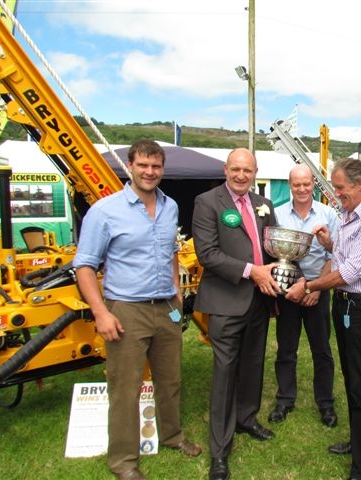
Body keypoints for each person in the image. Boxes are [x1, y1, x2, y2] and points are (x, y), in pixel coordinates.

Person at [73, 140, 202, 480]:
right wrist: (101, 312)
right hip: (126, 309)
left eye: (156, 166)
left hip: (166, 308)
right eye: (143, 165)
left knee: (170, 379)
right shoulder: (105, 210)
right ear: (129, 166)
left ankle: (173, 436)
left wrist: (176, 294)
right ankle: (124, 461)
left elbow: (173, 251)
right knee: (125, 387)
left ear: (162, 169)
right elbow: (84, 266)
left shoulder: (170, 207)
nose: (149, 172)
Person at [285, 158, 361, 480]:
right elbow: (343, 255)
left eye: (340, 187)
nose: (336, 193)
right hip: (345, 308)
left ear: (360, 185)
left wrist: (309, 285)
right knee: (351, 380)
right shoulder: (347, 214)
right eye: (334, 187)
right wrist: (329, 243)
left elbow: (349, 271)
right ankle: (358, 443)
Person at [192, 147, 281, 480]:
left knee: (253, 364)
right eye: (236, 169)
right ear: (226, 169)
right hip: (227, 301)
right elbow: (207, 254)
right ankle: (220, 450)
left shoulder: (265, 204)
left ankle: (246, 419)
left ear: (255, 171)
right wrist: (251, 271)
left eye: (248, 170)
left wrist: (281, 269)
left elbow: (272, 247)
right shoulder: (208, 202)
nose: (242, 175)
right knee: (225, 372)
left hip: (259, 300)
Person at [268, 164, 340, 428]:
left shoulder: (328, 215)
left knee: (322, 351)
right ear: (290, 185)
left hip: (318, 290)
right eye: (296, 184)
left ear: (313, 185)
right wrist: (294, 285)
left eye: (306, 184)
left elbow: (336, 255)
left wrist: (317, 287)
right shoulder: (276, 215)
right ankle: (285, 400)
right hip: (289, 291)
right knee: (286, 349)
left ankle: (326, 403)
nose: (301, 189)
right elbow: (275, 254)